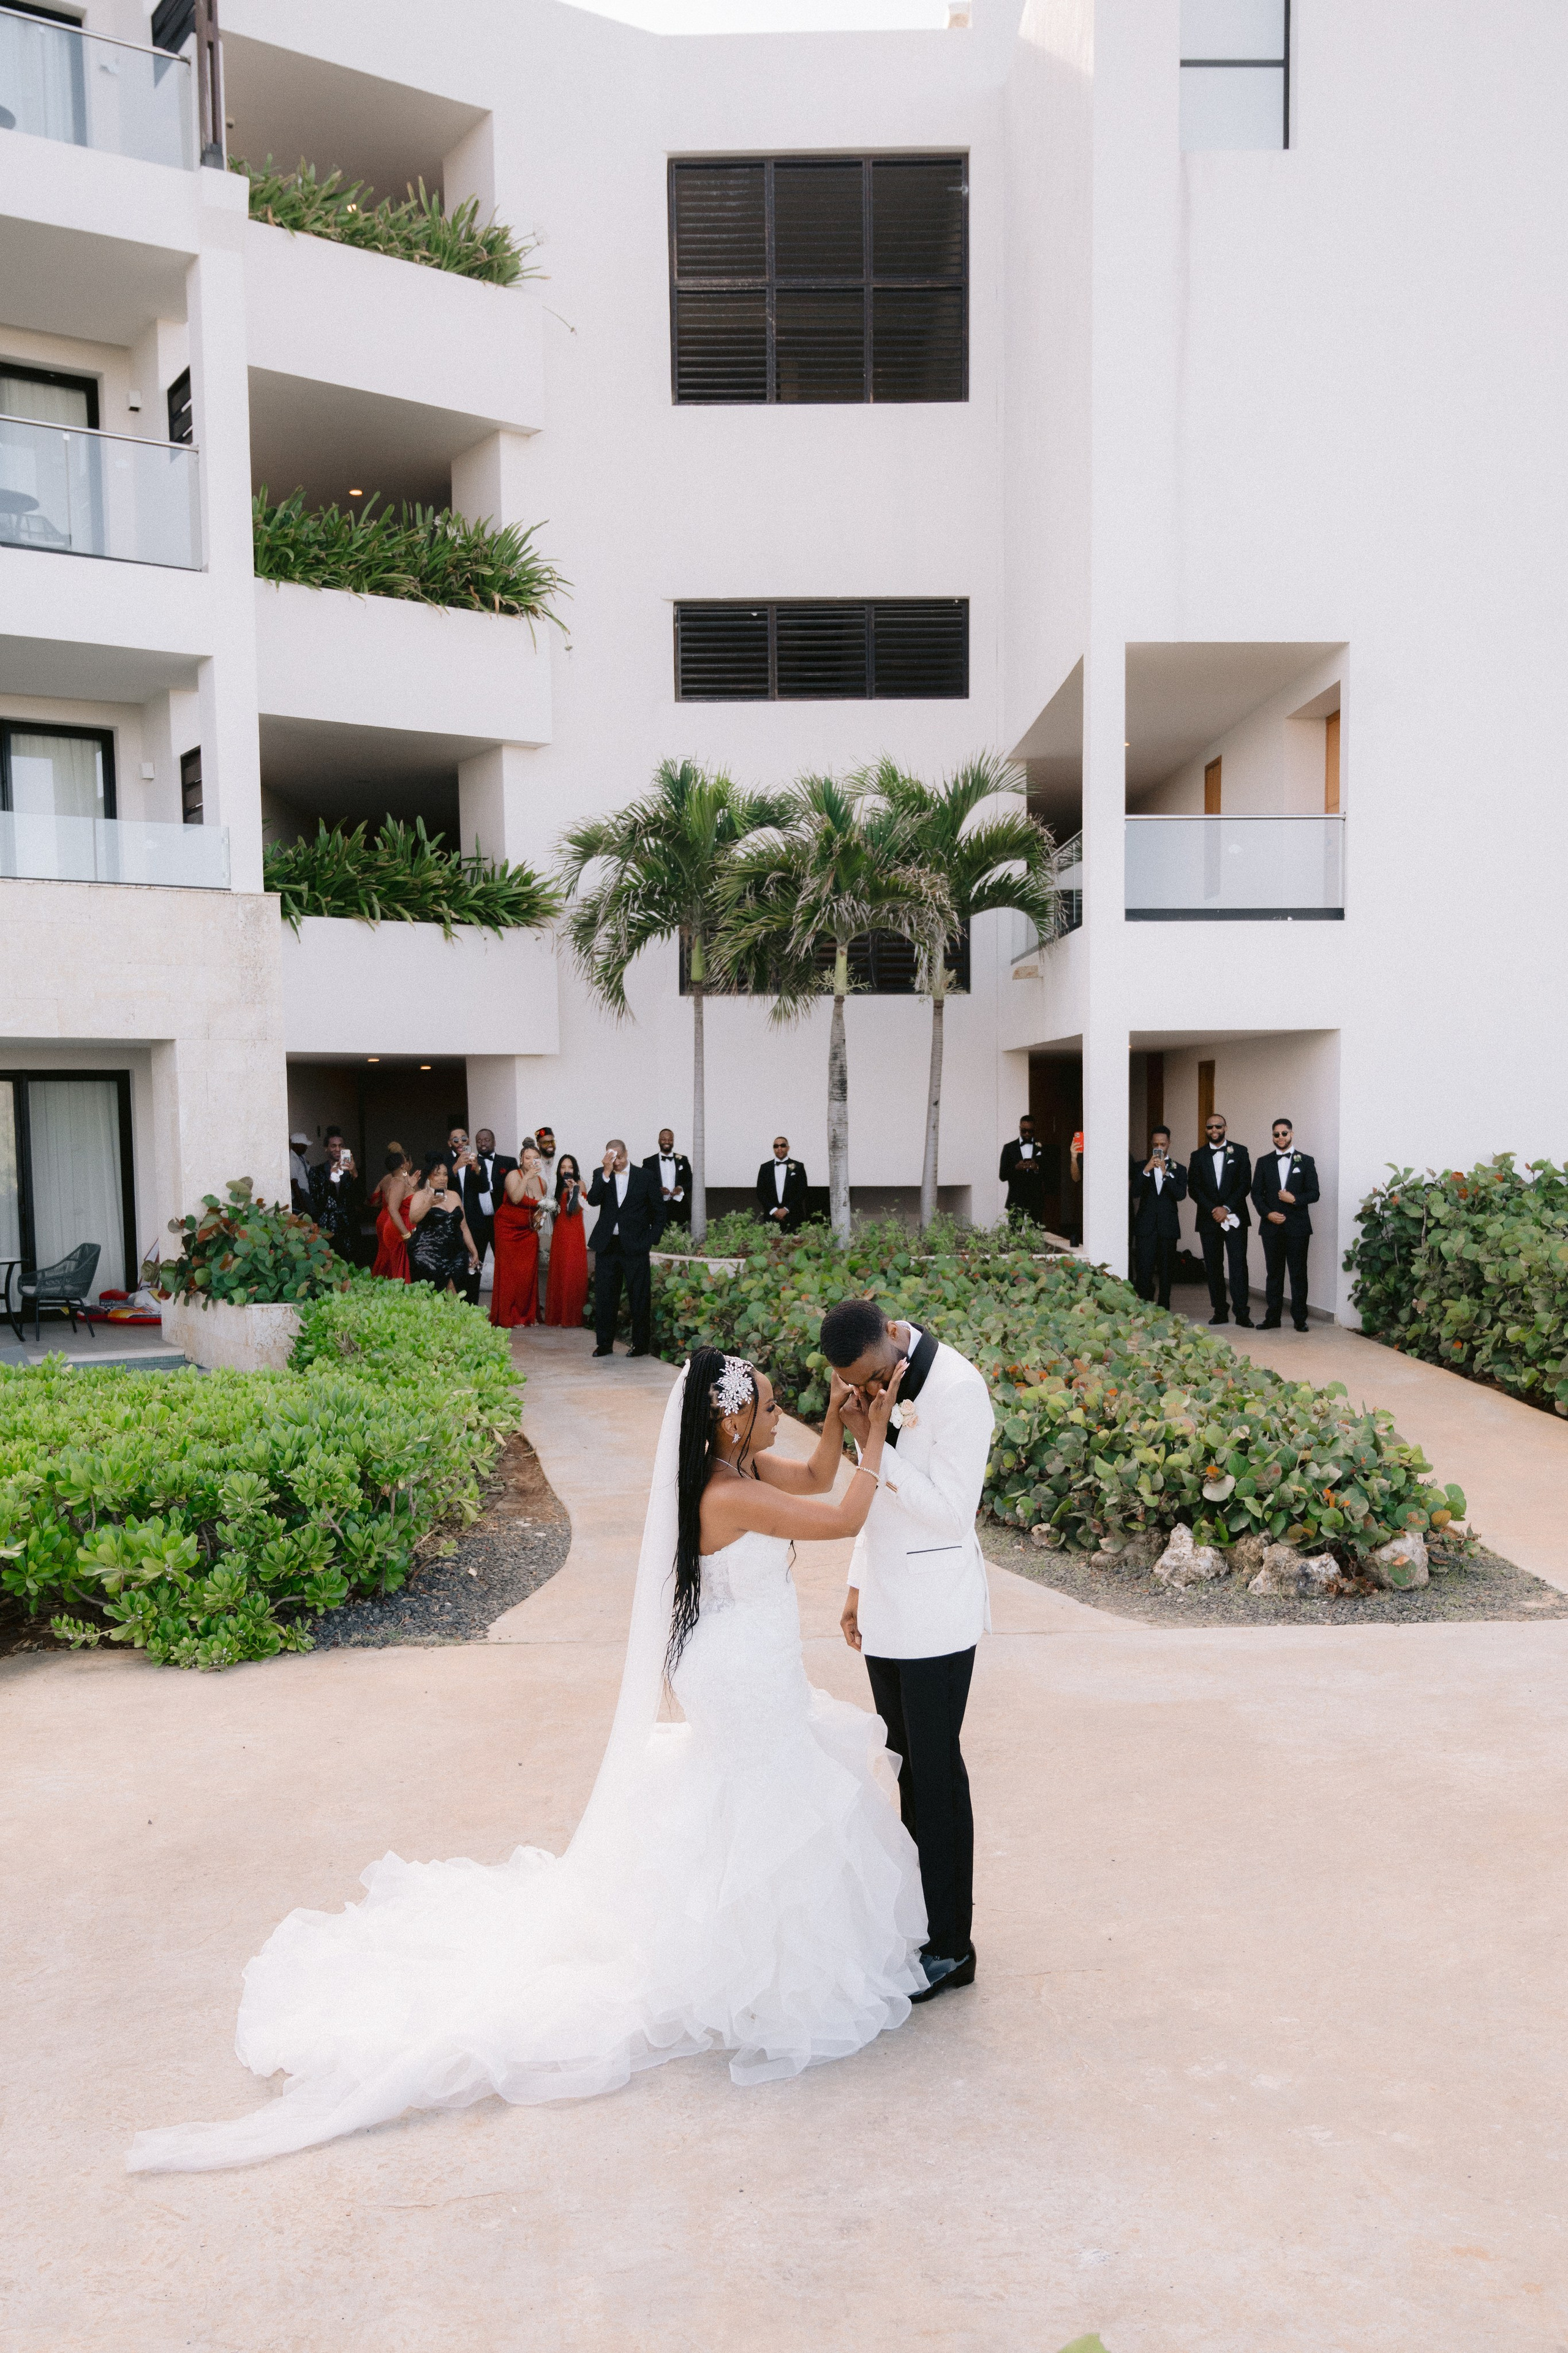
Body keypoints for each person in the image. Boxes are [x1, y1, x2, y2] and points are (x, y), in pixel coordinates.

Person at [127, 1347, 924, 2173]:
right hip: (738, 1667)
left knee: (751, 1787)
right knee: (763, 1787)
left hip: (745, 1652)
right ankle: (749, 1956)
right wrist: (884, 1441)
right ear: (729, 1418)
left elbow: (818, 1474)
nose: (775, 1417)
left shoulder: (739, 1463)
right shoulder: (726, 1492)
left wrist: (842, 1427)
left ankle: (744, 1929)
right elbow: (841, 1517)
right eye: (765, 1406)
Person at [821, 1294, 995, 2004]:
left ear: (894, 1336)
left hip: (937, 1615)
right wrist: (858, 1585)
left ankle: (954, 1945)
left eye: (867, 1378)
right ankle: (921, 1923)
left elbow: (952, 1511)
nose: (862, 1393)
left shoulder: (958, 1388)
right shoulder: (877, 1385)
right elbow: (876, 1508)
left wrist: (879, 1445)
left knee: (937, 1772)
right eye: (852, 1385)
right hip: (888, 1610)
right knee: (905, 1772)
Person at [587, 1139, 665, 1357]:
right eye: (613, 1158)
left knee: (639, 1297)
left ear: (626, 1154)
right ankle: (604, 1345)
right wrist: (606, 1172)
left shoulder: (645, 1176)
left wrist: (650, 1239)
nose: (617, 1163)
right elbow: (593, 1200)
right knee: (605, 1296)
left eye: (619, 1158)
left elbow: (659, 1212)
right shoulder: (601, 1173)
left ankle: (640, 1346)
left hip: (636, 1246)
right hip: (607, 1245)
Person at [1251, 1117, 1321, 1331]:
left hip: (1298, 1227)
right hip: (1271, 1226)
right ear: (1272, 1136)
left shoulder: (1306, 1161)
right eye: (1276, 1134)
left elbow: (1315, 1193)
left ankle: (1300, 1319)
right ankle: (1273, 1318)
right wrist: (1268, 1214)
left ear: (1291, 1134)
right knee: (1274, 1273)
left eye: (1284, 1133)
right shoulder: (1264, 1162)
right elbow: (1256, 1194)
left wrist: (1295, 1200)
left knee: (1298, 1273)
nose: (1280, 1137)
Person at [1187, 1111, 1254, 1328]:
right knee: (1214, 1267)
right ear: (1206, 1130)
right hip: (1209, 1219)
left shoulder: (1241, 1152)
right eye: (1210, 1127)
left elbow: (1245, 1184)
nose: (1214, 1130)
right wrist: (1214, 1209)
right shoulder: (1197, 1156)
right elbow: (1194, 1189)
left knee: (1238, 1265)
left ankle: (1242, 1312)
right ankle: (1220, 1311)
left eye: (1218, 1127)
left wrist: (1226, 1208)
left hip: (1234, 1217)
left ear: (1225, 1128)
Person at [489, 1143, 548, 1329]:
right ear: (522, 1159)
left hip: (528, 1231)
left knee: (527, 1274)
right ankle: (509, 1316)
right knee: (509, 1274)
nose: (531, 1161)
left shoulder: (542, 1183)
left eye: (535, 1158)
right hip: (507, 1229)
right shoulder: (513, 1175)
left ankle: (528, 1315)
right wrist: (527, 1177)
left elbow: (539, 1209)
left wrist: (540, 1218)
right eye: (528, 1157)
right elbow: (515, 1198)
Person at [405, 1156, 479, 1296]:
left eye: (445, 1174)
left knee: (457, 1290)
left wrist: (473, 1250)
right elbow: (413, 1219)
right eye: (437, 1174)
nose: (442, 1178)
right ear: (429, 1177)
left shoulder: (455, 1195)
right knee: (438, 1294)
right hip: (427, 1252)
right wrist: (429, 1204)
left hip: (455, 1252)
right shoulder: (420, 1196)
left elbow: (463, 1226)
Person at [544, 1154, 589, 1327]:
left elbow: (576, 1210)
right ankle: (557, 1315)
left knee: (572, 1269)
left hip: (574, 1231)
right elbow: (557, 1213)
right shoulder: (558, 1187)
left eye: (570, 1167)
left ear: (575, 1169)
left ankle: (572, 1316)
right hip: (560, 1231)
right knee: (559, 1269)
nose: (566, 1170)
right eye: (563, 1167)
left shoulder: (580, 1184)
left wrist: (574, 1190)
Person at [310, 1136, 361, 1261]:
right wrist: (330, 1181)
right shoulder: (317, 1171)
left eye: (341, 1146)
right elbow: (317, 1200)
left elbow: (361, 1198)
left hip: (348, 1224)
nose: (338, 1149)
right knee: (327, 1262)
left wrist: (354, 1173)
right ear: (326, 1149)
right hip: (326, 1224)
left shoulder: (351, 1171)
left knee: (351, 1262)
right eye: (333, 1146)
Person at [369, 1145, 413, 1282]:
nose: (408, 1164)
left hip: (386, 1219)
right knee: (398, 1262)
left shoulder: (390, 1179)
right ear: (402, 1165)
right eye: (406, 1161)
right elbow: (393, 1209)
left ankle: (383, 1280)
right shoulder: (399, 1182)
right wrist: (406, 1233)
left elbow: (373, 1199)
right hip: (397, 1222)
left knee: (386, 1256)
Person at [643, 1129, 693, 1233]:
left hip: (679, 1207)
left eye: (670, 1140)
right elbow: (644, 1184)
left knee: (680, 1237)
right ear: (659, 1141)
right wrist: (657, 1190)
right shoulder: (649, 1162)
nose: (667, 1142)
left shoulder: (683, 1160)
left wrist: (681, 1188)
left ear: (673, 1141)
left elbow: (691, 1182)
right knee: (659, 1237)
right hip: (658, 1207)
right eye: (664, 1139)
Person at [998, 1114, 1046, 1221]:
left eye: (1030, 1131)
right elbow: (1002, 1176)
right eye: (1024, 1131)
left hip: (1036, 1201)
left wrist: (1037, 1168)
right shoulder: (1009, 1148)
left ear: (1035, 1129)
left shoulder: (1041, 1147)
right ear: (1020, 1129)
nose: (1027, 1134)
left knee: (1035, 1235)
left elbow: (1049, 1174)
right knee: (1014, 1235)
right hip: (1016, 1200)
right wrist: (1016, 1168)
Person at [755, 1135, 808, 1232]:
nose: (779, 1148)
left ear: (788, 1148)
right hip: (771, 1217)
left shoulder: (798, 1166)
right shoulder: (765, 1168)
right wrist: (774, 1210)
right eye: (776, 1146)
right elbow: (760, 1192)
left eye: (782, 1145)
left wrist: (787, 1209)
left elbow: (802, 1190)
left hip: (794, 1216)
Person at [288, 1132, 313, 1217]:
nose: (306, 1147)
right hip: (301, 1195)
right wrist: (303, 1207)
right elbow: (294, 1183)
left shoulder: (302, 1156)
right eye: (304, 1145)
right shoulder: (293, 1160)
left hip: (307, 1193)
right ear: (297, 1145)